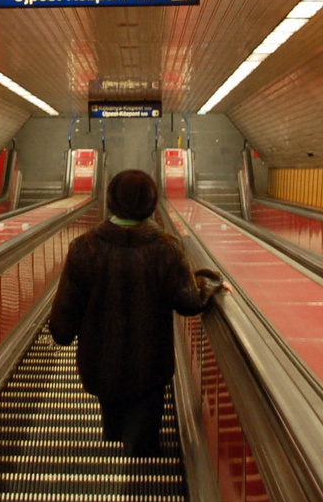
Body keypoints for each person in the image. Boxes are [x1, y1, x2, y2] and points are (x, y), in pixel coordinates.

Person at [49, 168, 222, 456]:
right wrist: (208, 281)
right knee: (143, 441)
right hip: (150, 368)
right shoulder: (166, 249)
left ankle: (118, 454)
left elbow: (64, 319)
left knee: (114, 426)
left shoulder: (84, 248)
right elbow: (189, 301)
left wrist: (65, 332)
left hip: (101, 366)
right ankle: (138, 462)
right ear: (151, 204)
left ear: (112, 201)